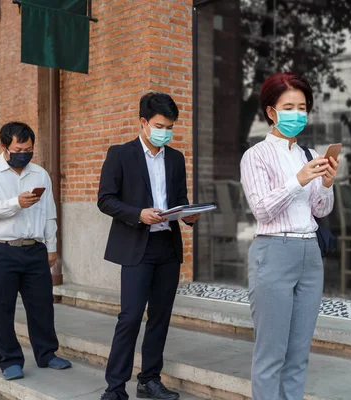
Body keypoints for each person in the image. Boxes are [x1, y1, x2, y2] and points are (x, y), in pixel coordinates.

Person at [240, 72, 338, 400]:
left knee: (298, 354)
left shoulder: (308, 156)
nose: (298, 114)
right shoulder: (256, 156)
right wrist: (297, 180)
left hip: (310, 254)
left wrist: (325, 183)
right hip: (274, 250)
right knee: (271, 355)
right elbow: (262, 209)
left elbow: (320, 211)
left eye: (303, 107)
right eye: (289, 107)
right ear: (271, 112)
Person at [98, 92, 199, 400]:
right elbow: (105, 199)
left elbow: (179, 200)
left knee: (160, 316)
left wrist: (189, 216)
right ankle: (115, 388)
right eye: (160, 125)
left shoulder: (176, 158)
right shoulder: (120, 154)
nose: (165, 132)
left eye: (170, 127)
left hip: (166, 246)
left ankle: (149, 380)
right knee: (129, 317)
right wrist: (137, 214)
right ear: (143, 122)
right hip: (135, 246)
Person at [0, 122, 72, 381]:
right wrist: (15, 204)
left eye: (28, 149)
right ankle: (10, 360)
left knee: (42, 306)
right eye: (18, 148)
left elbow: (49, 213)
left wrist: (51, 247)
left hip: (34, 250)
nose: (24, 153)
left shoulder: (40, 174)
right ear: (4, 146)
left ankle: (47, 353)